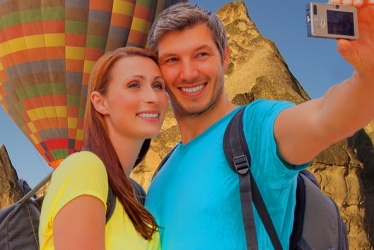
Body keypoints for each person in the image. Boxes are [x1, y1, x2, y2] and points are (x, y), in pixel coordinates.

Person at [144, 1, 373, 249]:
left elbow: (326, 118)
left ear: (224, 58)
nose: (188, 73)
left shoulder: (254, 127)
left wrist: (369, 73)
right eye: (172, 60)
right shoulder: (161, 171)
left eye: (201, 54)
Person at [38, 46, 167, 249]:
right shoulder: (85, 167)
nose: (152, 97)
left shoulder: (135, 193)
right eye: (134, 85)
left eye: (159, 86)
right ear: (100, 102)